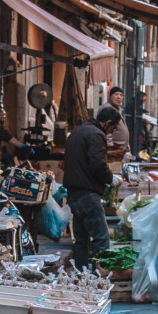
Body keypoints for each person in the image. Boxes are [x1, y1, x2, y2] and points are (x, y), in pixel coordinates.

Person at [63, 111, 113, 268]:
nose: (112, 132)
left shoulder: (78, 131)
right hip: (87, 193)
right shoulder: (97, 134)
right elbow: (98, 164)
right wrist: (111, 178)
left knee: (81, 240)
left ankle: (81, 277)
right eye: (114, 128)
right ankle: (99, 278)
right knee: (101, 238)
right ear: (107, 123)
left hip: (73, 192)